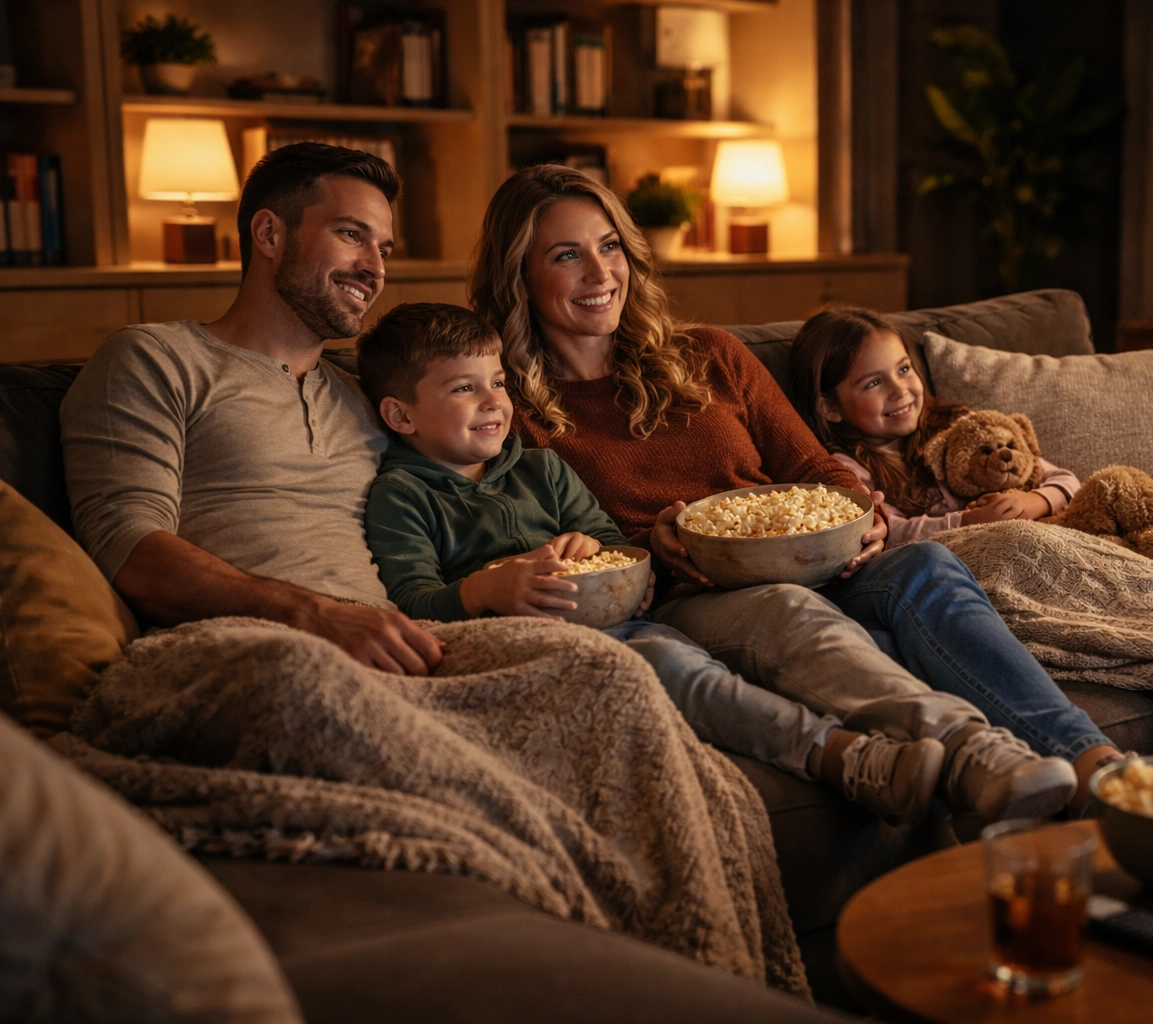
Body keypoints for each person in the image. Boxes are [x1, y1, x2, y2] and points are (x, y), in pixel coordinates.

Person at [471, 164, 1120, 819]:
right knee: (784, 605)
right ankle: (975, 755)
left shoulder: (711, 355)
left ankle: (1096, 764)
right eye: (566, 255)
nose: (600, 272)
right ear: (519, 275)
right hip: (692, 598)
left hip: (818, 559)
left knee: (926, 562)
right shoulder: (504, 412)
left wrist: (862, 517)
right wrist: (651, 546)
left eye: (609, 246)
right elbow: (555, 552)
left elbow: (817, 469)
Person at [355, 301, 947, 825]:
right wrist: (484, 591)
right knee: (672, 665)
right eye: (464, 389)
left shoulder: (542, 468)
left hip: (621, 621)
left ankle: (897, 746)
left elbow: (610, 541)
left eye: (498, 382)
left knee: (693, 658)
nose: (493, 402)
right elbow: (412, 599)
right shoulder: (402, 496)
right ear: (401, 416)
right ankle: (839, 754)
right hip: (529, 641)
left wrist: (594, 552)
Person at [60, 143, 442, 675]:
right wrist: (318, 617)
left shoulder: (370, 397)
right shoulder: (157, 358)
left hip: (399, 646)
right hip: (239, 653)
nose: (374, 268)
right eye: (351, 235)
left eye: (385, 249)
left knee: (568, 661)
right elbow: (128, 548)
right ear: (268, 234)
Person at [786, 306, 1081, 547]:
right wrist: (965, 522)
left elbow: (1066, 480)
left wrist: (1035, 501)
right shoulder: (848, 470)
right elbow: (888, 532)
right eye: (873, 383)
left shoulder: (959, 425)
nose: (900, 390)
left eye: (903, 369)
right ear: (830, 407)